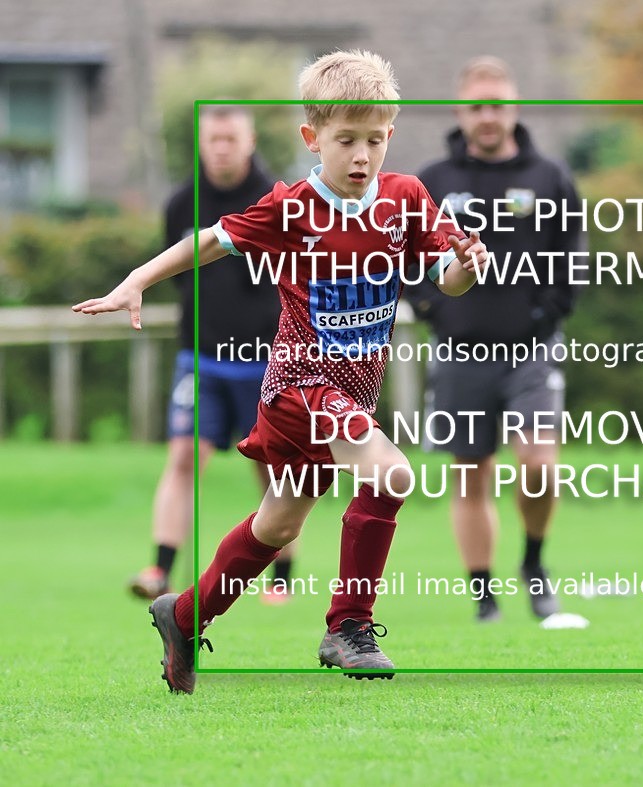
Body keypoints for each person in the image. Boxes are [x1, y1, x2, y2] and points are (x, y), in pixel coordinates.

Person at [74, 50, 488, 692]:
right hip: (300, 389)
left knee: (277, 524)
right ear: (311, 137)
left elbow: (448, 280)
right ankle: (349, 626)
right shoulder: (292, 207)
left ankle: (183, 616)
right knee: (392, 474)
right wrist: (137, 280)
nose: (361, 155)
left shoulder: (406, 198)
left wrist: (468, 265)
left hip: (348, 400)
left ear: (390, 134)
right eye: (345, 140)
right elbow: (210, 240)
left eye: (374, 140)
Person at [407, 56, 583, 622]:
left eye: (498, 105)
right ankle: (484, 596)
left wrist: (546, 310)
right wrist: (433, 307)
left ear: (515, 107)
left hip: (532, 349)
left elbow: (572, 258)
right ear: (460, 111)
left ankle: (534, 562)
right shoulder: (432, 182)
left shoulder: (549, 178)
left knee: (539, 464)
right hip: (460, 350)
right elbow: (405, 255)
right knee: (471, 474)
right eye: (477, 106)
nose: (488, 116)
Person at [128, 105, 298, 606]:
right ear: (201, 143)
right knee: (184, 457)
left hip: (266, 360)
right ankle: (159, 569)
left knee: (273, 469)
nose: (221, 148)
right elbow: (175, 270)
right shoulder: (182, 204)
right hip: (200, 358)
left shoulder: (276, 201)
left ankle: (282, 577)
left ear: (250, 141)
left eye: (231, 139)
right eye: (213, 139)